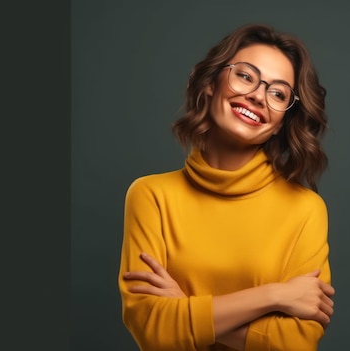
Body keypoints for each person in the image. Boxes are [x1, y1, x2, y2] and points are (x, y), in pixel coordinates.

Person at [118, 23, 334, 351]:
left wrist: (185, 307)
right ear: (210, 84)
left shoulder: (304, 209)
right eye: (245, 76)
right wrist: (273, 296)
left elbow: (296, 345)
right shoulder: (151, 196)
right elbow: (152, 329)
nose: (258, 96)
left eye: (278, 93)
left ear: (280, 124)